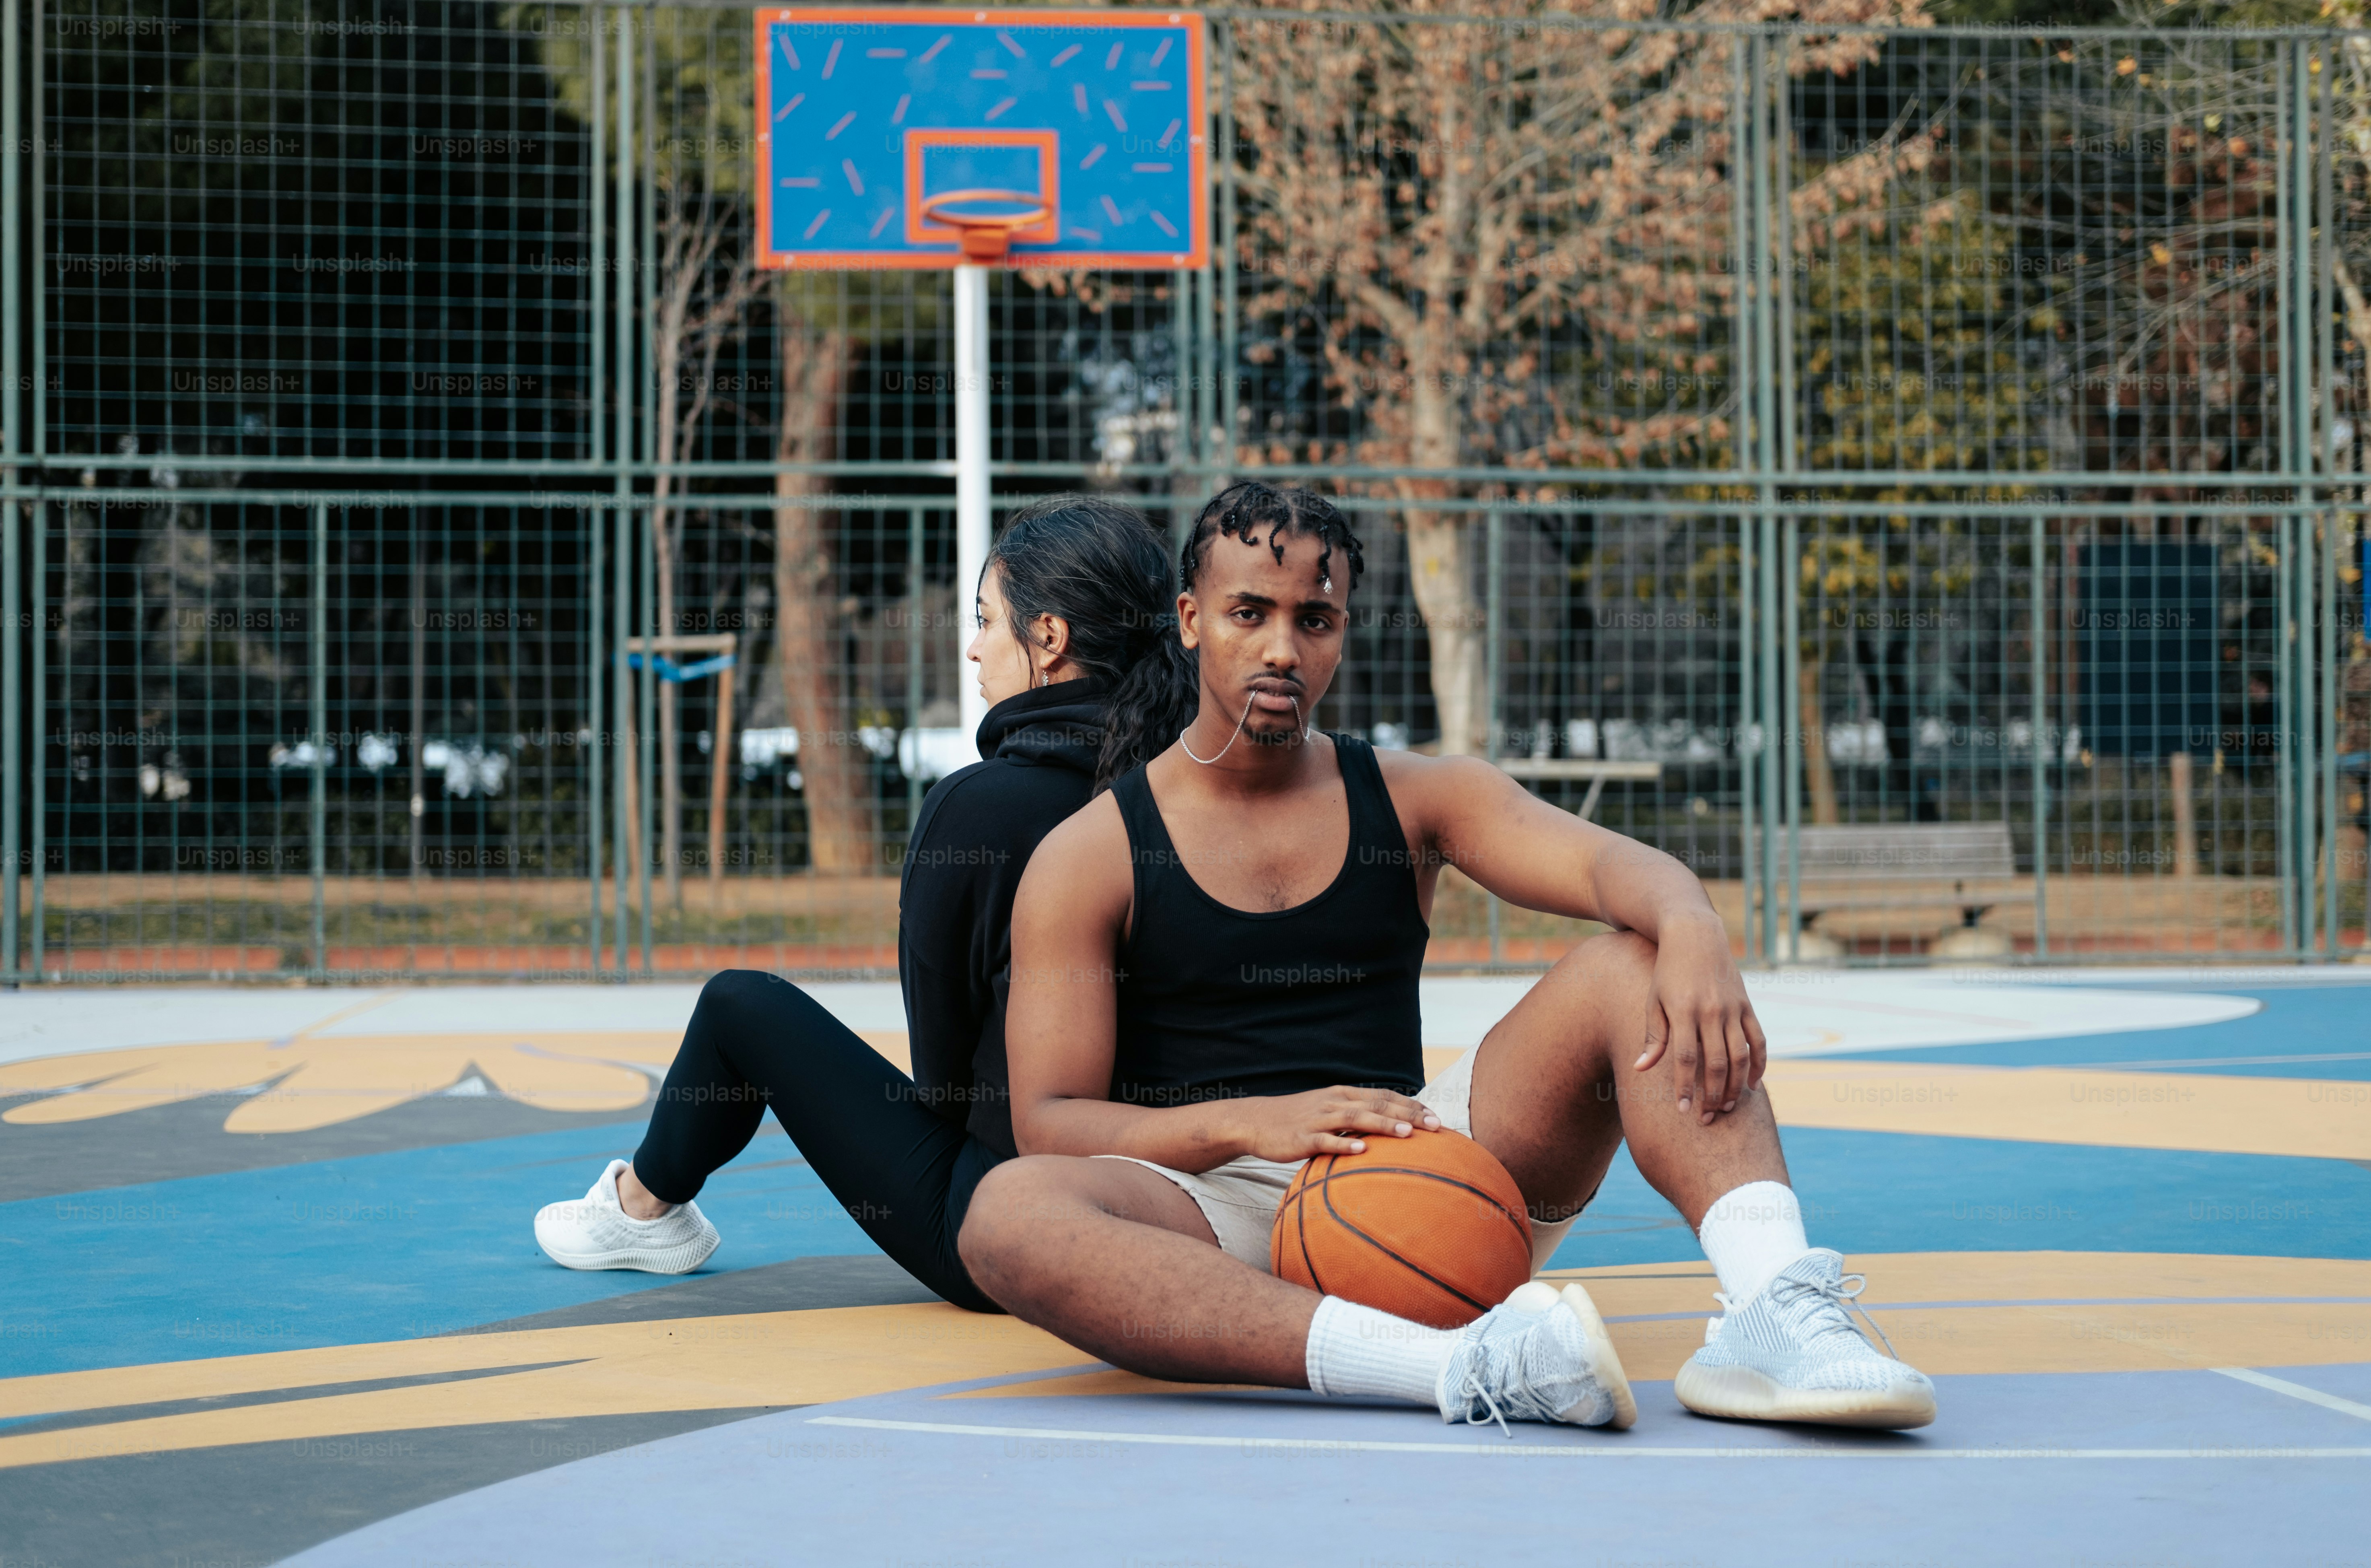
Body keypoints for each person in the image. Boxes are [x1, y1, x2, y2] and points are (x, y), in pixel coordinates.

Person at [956, 481, 1937, 1430]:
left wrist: (1692, 926)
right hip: (1213, 1207)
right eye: (1247, 612)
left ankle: (1772, 1312)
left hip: (1424, 1177)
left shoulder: (1419, 796)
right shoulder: (1090, 854)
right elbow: (1050, 1122)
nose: (1280, 649)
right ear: (1187, 619)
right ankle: (1471, 1368)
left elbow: (1610, 869)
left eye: (1315, 620)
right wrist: (1260, 1123)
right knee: (1008, 1215)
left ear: (1344, 630)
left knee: (1634, 966)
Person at [532, 495, 1195, 1313]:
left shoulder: (982, 809)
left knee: (742, 1005)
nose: (971, 647)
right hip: (1188, 1217)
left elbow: (943, 1080)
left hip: (1009, 1232)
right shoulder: (1203, 796)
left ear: (1049, 639)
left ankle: (642, 1206)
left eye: (987, 620)